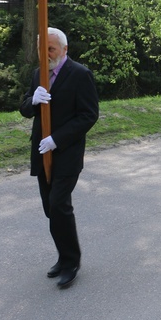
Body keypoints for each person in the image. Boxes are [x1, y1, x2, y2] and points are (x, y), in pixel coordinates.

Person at [20, 27, 99, 289]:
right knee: (49, 208)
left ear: (64, 49)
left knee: (58, 205)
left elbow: (88, 115)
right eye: (42, 49)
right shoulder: (38, 74)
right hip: (42, 153)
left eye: (51, 49)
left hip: (66, 153)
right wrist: (33, 99)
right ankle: (63, 255)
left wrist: (58, 139)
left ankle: (71, 262)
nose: (46, 54)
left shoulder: (79, 74)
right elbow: (24, 109)